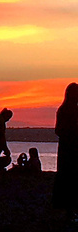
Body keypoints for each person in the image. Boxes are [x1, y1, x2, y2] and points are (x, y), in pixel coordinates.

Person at [53, 83, 78, 222]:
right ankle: (69, 208)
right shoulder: (71, 110)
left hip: (65, 147)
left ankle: (63, 206)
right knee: (71, 176)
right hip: (71, 147)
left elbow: (58, 130)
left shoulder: (62, 109)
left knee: (64, 175)